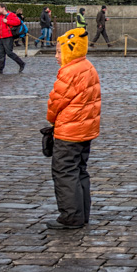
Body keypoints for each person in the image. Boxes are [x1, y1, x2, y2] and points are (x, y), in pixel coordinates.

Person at [45, 28, 101, 229]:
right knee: (79, 171)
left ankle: (70, 216)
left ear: (70, 51)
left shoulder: (69, 72)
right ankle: (82, 213)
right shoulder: (87, 66)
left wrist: (51, 121)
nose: (56, 56)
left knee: (64, 172)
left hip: (69, 132)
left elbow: (55, 103)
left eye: (59, 52)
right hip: (85, 131)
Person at [0, 4, 26, 74]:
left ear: (3, 8)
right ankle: (0, 68)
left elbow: (17, 22)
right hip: (1, 37)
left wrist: (7, 21)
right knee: (1, 53)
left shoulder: (11, 15)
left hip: (8, 36)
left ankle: (21, 63)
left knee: (9, 52)